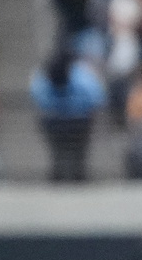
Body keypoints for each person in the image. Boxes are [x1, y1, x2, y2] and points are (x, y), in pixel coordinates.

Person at [30, 48, 105, 182]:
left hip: (77, 122)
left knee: (74, 149)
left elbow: (97, 99)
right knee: (64, 150)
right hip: (59, 122)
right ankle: (69, 171)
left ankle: (71, 171)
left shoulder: (81, 76)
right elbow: (97, 99)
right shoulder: (82, 75)